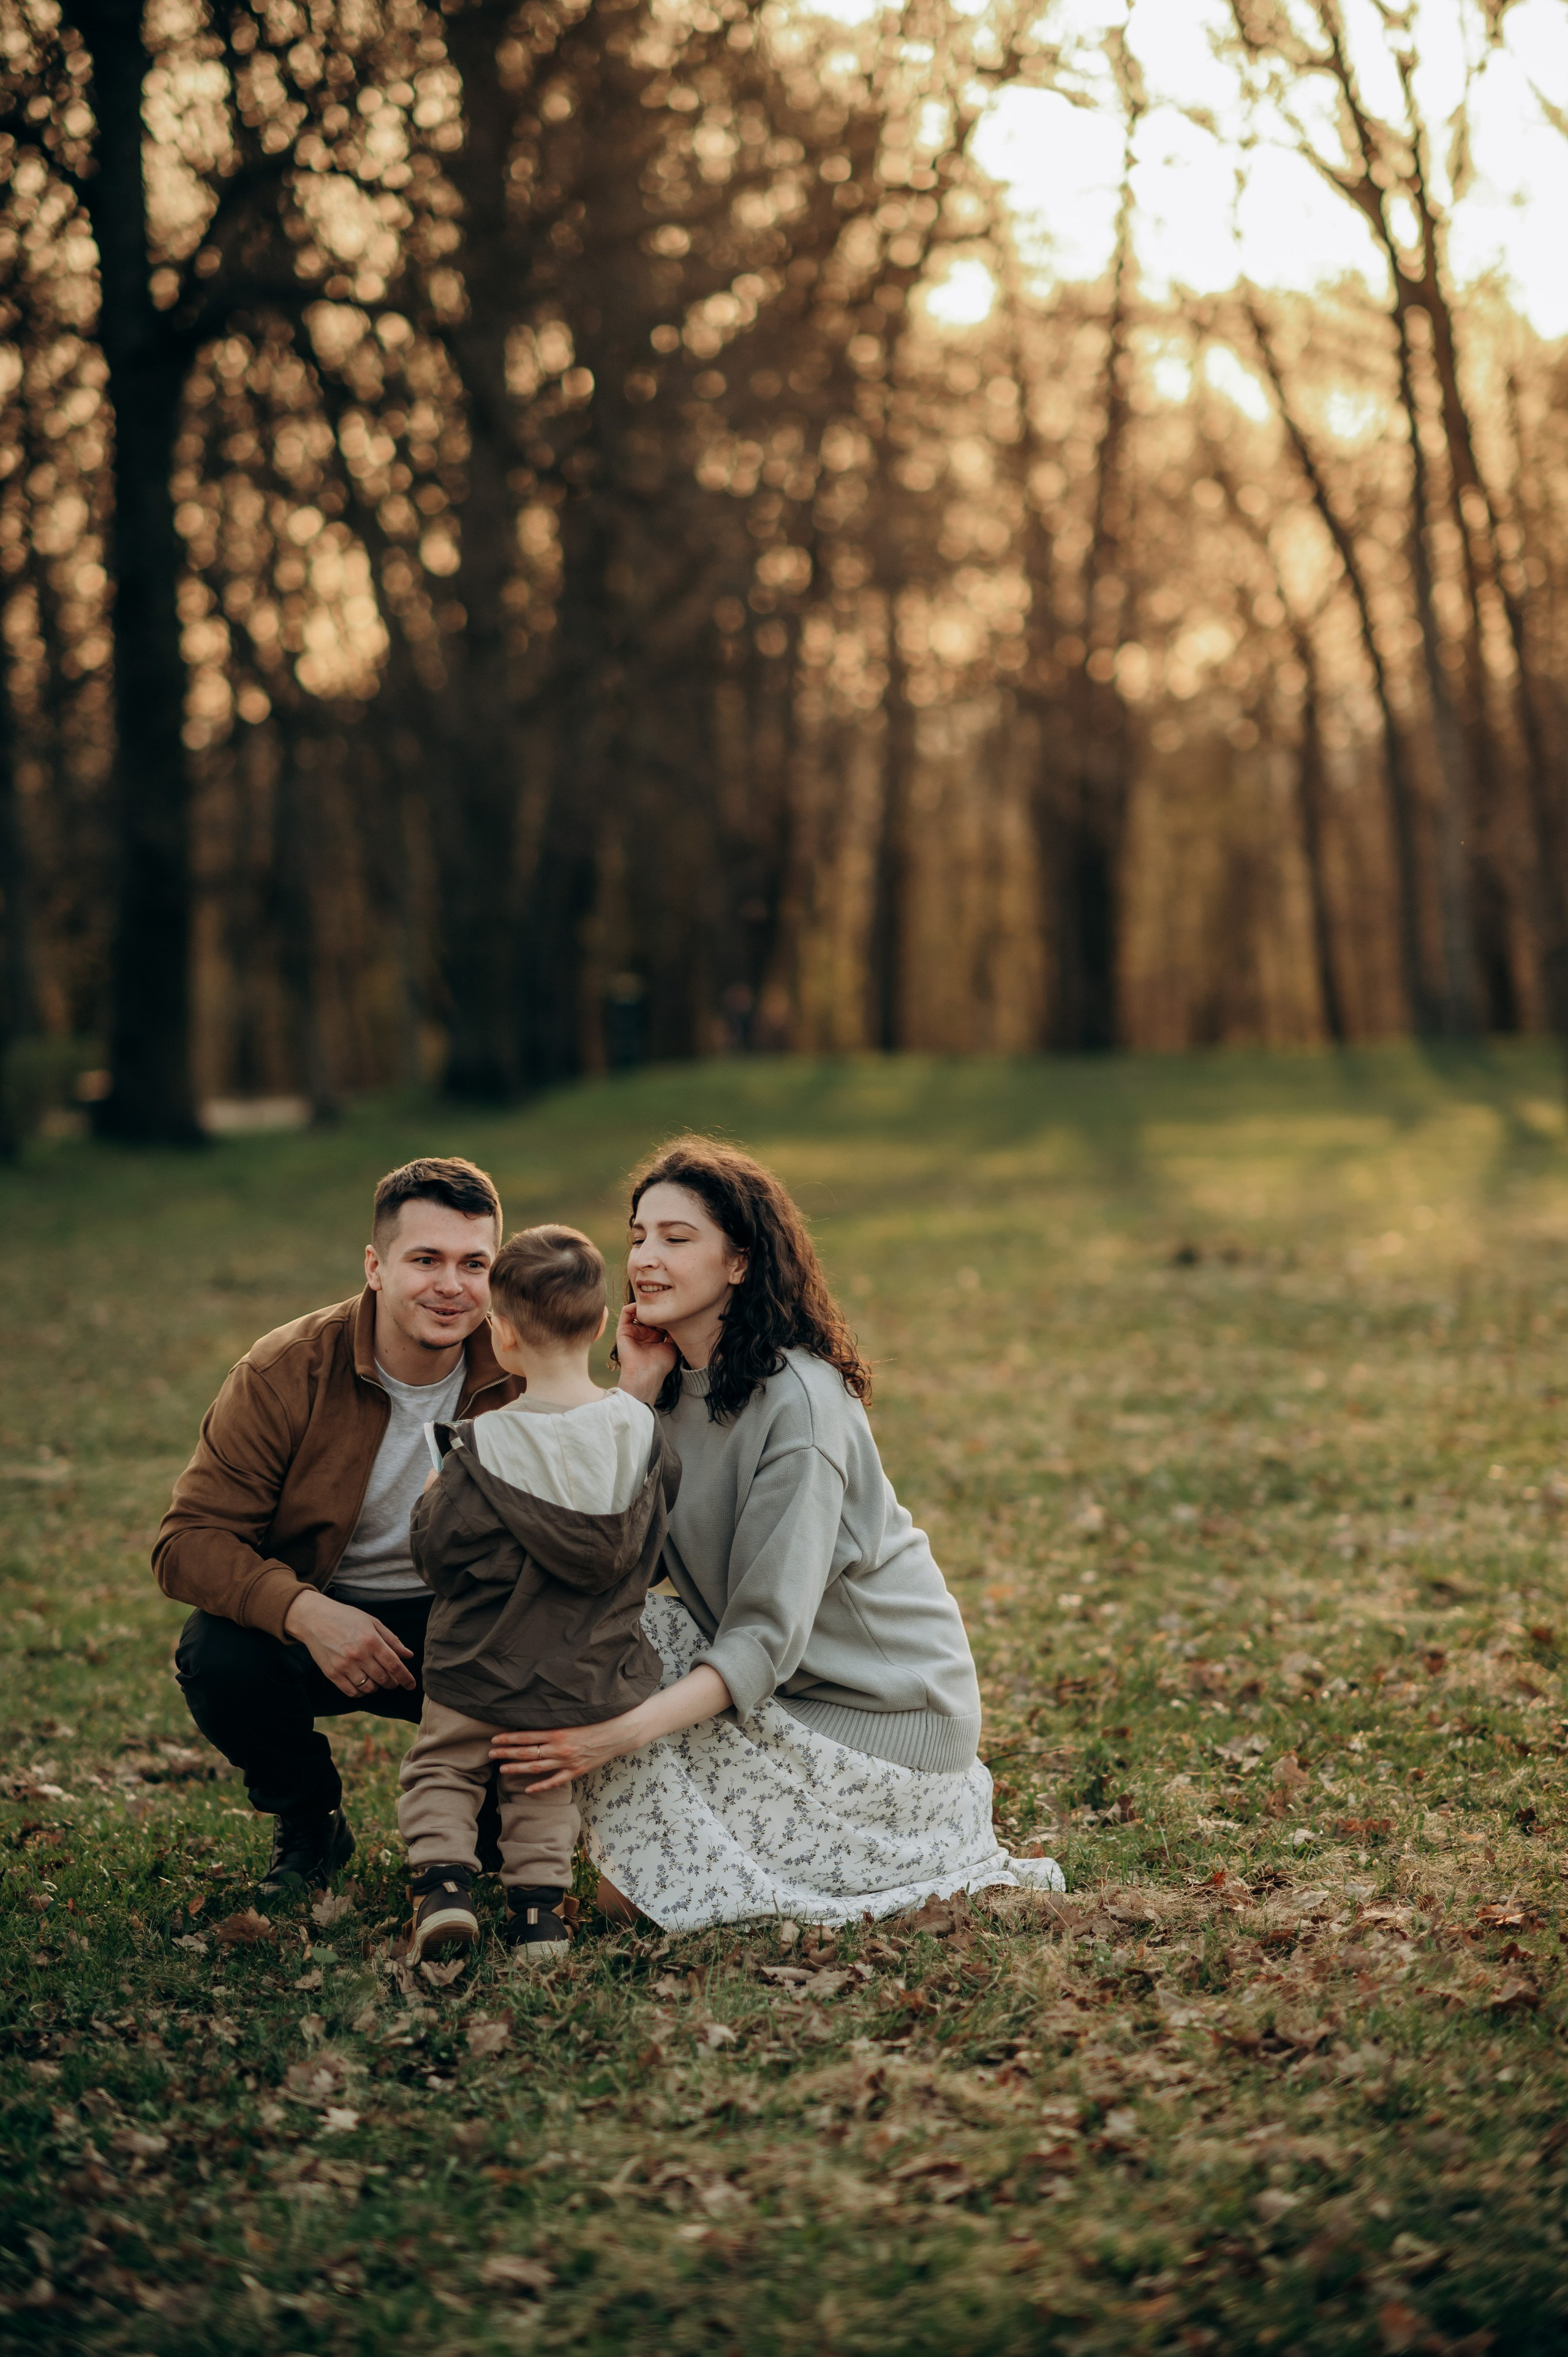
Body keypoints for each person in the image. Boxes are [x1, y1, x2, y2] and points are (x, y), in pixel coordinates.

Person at [488, 1137, 1064, 1930]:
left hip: (887, 1717)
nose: (646, 1259)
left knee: (631, 1899)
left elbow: (762, 1637)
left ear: (739, 1263)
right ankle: (517, 1822)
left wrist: (611, 1738)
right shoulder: (665, 1391)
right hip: (782, 1690)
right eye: (638, 1236)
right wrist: (629, 1399)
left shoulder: (803, 1404)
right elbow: (603, 1568)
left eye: (677, 1238)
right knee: (599, 1631)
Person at [154, 1156, 520, 1894]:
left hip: (469, 1624)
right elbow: (187, 1541)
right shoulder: (283, 1371)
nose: (451, 1285)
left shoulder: (525, 1371)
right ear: (376, 1266)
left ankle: (489, 1821)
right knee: (218, 1653)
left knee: (498, 1854)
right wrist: (302, 1609)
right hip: (321, 1614)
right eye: (426, 1259)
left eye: (473, 1263)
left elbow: (608, 1516)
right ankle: (311, 1820)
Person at [398, 1224, 679, 1966]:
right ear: (595, 1327)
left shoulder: (481, 1447)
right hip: (579, 1672)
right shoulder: (642, 1430)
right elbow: (648, 1544)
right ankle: (539, 1919)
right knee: (544, 1782)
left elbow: (436, 1555)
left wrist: (434, 1494)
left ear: (502, 1334)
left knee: (444, 1768)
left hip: (477, 1661)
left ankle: (445, 1891)